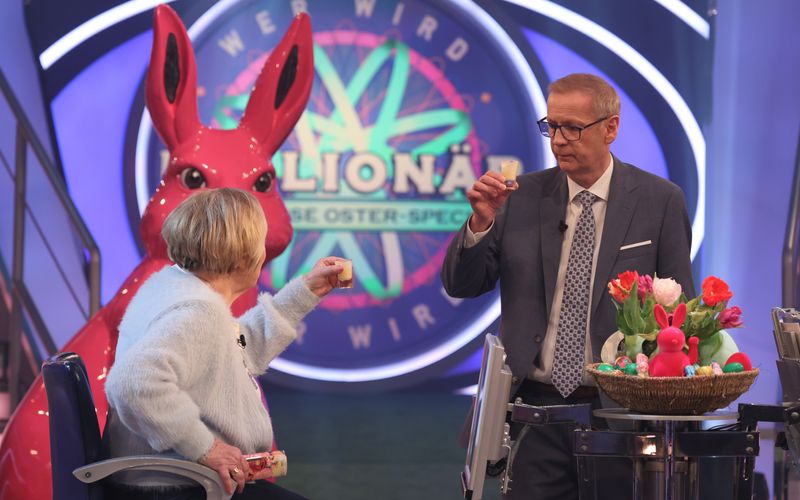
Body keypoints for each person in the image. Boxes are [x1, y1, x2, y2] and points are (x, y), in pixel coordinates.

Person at [441, 73, 695, 499]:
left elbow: (678, 315)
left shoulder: (660, 200)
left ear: (611, 128)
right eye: (551, 126)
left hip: (619, 414)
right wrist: (480, 222)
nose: (559, 140)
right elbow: (462, 284)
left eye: (573, 127)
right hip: (532, 413)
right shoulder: (517, 198)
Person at [105, 188, 343, 500]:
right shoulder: (197, 313)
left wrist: (306, 291)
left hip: (174, 480)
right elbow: (131, 384)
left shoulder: (173, 287)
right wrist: (206, 448)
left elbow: (235, 348)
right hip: (180, 487)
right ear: (244, 257)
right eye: (260, 242)